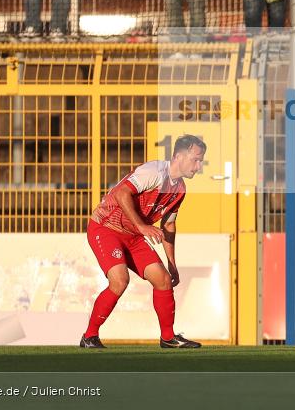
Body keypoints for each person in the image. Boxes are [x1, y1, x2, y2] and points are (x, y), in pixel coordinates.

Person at [80, 135, 207, 349]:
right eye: (196, 159)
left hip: (133, 235)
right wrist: (142, 227)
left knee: (163, 280)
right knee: (119, 281)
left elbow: (169, 226)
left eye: (201, 160)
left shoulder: (180, 189)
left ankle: (168, 338)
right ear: (178, 156)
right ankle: (89, 336)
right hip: (106, 228)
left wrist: (172, 264)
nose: (199, 165)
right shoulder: (154, 172)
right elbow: (121, 193)